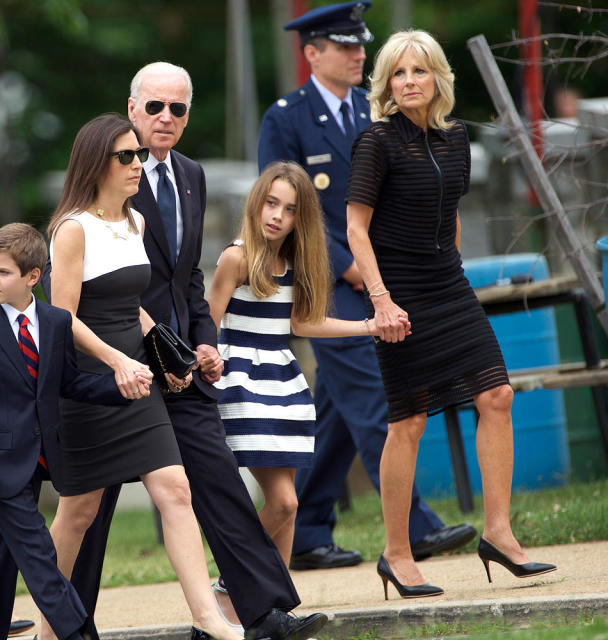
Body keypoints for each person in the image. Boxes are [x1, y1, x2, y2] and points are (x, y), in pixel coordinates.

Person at [61, 63, 326, 640]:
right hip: (115, 362)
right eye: (154, 107)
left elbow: (188, 276)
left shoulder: (191, 174)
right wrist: (148, 351)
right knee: (88, 508)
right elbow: (78, 297)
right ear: (131, 109)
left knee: (217, 481)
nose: (165, 119)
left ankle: (261, 612)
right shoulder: (105, 188)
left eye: (177, 109)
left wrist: (206, 340)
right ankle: (67, 624)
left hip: (181, 368)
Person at [257, 0, 475, 572]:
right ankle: (416, 528)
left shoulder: (372, 111)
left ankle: (303, 531)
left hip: (385, 275)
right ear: (312, 53)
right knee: (377, 397)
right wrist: (346, 266)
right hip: (324, 283)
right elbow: (285, 207)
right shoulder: (287, 116)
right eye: (346, 46)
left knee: (337, 406)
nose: (359, 55)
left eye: (361, 45)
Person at [346, 29, 556, 599]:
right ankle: (396, 553)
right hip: (398, 292)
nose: (409, 82)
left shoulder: (455, 137)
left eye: (419, 71)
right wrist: (381, 298)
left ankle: (498, 532)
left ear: (439, 77)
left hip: (448, 285)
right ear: (386, 84)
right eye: (398, 73)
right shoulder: (377, 142)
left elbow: (452, 211)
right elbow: (355, 228)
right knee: (409, 421)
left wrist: (454, 266)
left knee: (498, 395)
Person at [41, 113, 244, 640]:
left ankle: (209, 620)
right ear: (96, 164)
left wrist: (167, 354)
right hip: (89, 384)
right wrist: (116, 362)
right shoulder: (71, 229)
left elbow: (133, 307)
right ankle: (47, 628)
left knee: (176, 490)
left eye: (137, 155)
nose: (137, 165)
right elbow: (61, 319)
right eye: (125, 157)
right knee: (78, 513)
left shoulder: (135, 222)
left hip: (137, 378)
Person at [207, 161, 392, 572]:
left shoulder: (295, 264)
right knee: (285, 502)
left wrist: (368, 326)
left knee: (287, 506)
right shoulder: (236, 258)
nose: (277, 215)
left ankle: (280, 601)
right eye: (271, 203)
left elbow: (304, 322)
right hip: (241, 381)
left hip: (285, 384)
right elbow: (208, 322)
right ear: (257, 204)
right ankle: (232, 583)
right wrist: (207, 364)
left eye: (289, 209)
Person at [0, 223, 128, 640]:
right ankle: (79, 634)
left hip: (44, 455)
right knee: (39, 556)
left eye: (2, 272)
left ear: (33, 276)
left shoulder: (55, 322)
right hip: (0, 467)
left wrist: (117, 386)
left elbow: (68, 382)